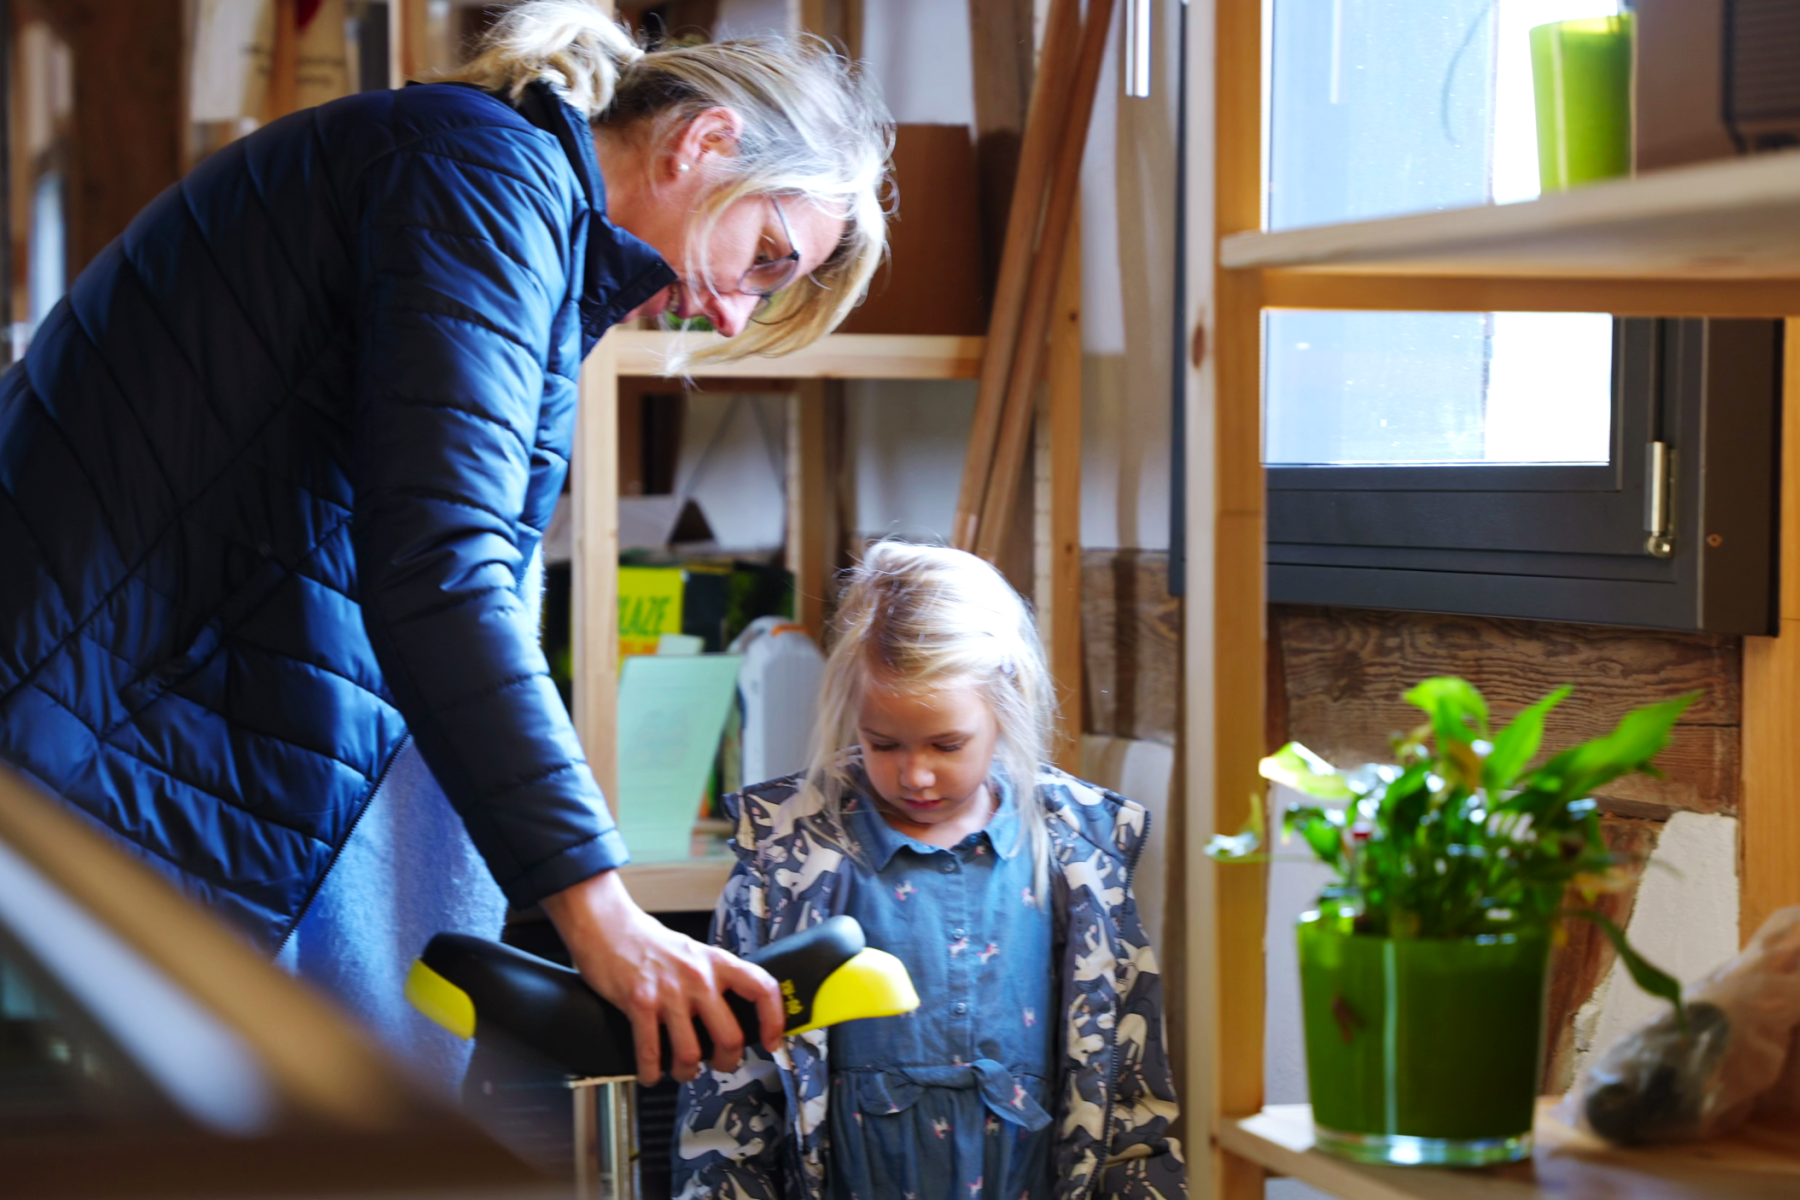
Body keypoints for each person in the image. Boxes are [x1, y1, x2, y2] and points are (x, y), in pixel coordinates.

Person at [0, 0, 889, 1087]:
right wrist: (601, 915)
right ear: (705, 143)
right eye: (763, 258)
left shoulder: (502, 196)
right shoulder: (483, 182)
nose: (737, 316)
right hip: (68, 751)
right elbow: (443, 570)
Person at [673, 542, 1186, 1200]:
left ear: (1006, 702)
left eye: (947, 744)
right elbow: (728, 1101)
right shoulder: (785, 864)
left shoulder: (1079, 859)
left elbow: (1133, 1093)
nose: (915, 775)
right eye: (883, 744)